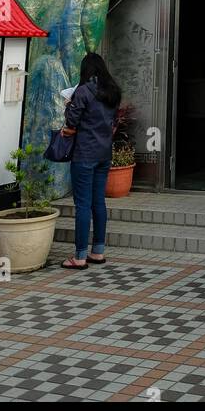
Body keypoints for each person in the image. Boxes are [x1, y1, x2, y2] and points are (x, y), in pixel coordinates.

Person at [60, 52, 120, 269]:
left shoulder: (83, 91)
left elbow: (71, 122)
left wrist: (68, 104)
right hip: (104, 154)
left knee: (83, 205)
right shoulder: (112, 92)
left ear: (86, 70)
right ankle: (98, 252)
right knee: (98, 203)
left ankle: (79, 257)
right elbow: (114, 123)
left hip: (84, 155)